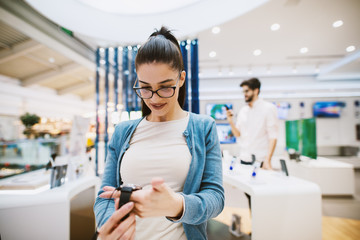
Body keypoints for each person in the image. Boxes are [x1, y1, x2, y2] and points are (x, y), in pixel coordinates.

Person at [93, 26, 224, 240]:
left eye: (165, 87)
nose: (154, 98)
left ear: (181, 79)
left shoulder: (203, 127)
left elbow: (215, 198)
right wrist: (110, 225)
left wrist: (177, 205)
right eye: (145, 88)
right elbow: (105, 197)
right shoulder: (123, 131)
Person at [226, 78, 279, 170]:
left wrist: (268, 160)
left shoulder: (269, 108)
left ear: (256, 90)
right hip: (243, 159)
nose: (244, 94)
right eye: (243, 92)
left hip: (260, 161)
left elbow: (273, 136)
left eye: (247, 91)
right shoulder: (243, 111)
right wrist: (230, 121)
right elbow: (238, 134)